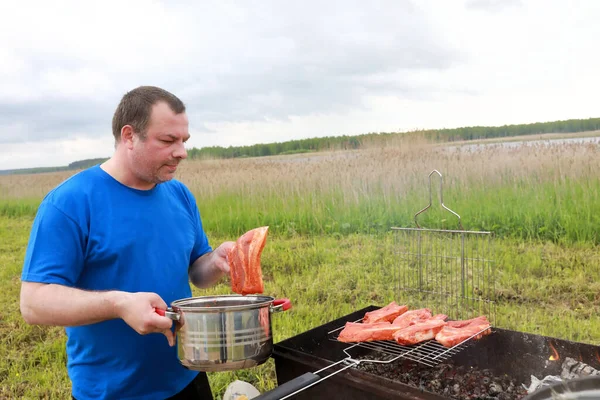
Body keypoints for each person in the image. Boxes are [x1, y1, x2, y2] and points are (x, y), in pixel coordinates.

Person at [19, 86, 234, 400]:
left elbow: (196, 273)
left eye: (184, 141)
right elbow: (33, 304)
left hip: (187, 377)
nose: (182, 152)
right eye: (168, 140)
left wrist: (216, 261)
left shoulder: (179, 194)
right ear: (129, 136)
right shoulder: (70, 203)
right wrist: (119, 304)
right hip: (112, 392)